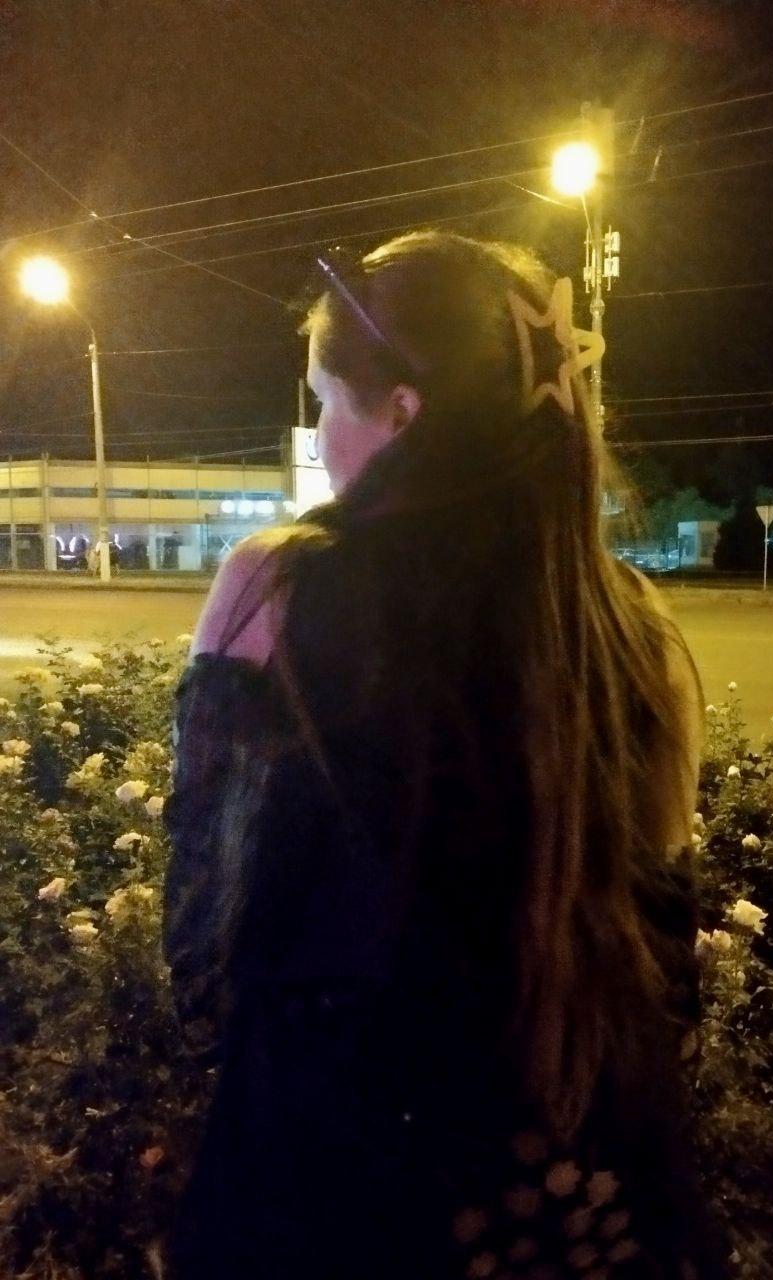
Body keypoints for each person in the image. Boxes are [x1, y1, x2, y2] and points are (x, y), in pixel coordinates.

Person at [162, 232, 723, 1279]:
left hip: (339, 1187)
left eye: (325, 402)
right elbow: (664, 935)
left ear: (402, 412)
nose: (319, 435)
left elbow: (206, 921)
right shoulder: (631, 621)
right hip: (589, 1185)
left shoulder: (278, 585)